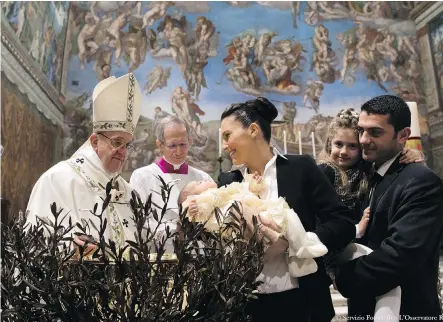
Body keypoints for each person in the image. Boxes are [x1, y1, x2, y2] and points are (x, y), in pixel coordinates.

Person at [218, 97, 356, 322]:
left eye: (227, 135)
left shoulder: (300, 168)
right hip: (247, 304)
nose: (224, 145)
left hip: (301, 301)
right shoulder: (227, 181)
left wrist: (298, 241)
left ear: (253, 130)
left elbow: (343, 223)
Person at [334, 95, 443, 320]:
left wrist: (341, 275)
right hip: (366, 307)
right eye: (361, 131)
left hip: (406, 310)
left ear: (403, 135)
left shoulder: (421, 181)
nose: (363, 140)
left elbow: (401, 256)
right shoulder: (367, 174)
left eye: (375, 132)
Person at [26, 73, 143, 250]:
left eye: (128, 145)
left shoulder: (128, 192)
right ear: (95, 141)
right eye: (117, 142)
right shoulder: (58, 180)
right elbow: (32, 240)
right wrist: (67, 247)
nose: (123, 152)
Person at [179, 175, 329, 278]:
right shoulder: (205, 199)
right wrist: (192, 208)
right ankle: (302, 248)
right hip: (244, 224)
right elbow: (192, 212)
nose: (202, 180)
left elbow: (242, 190)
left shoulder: (224, 190)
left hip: (258, 212)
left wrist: (254, 186)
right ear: (194, 197)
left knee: (289, 216)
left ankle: (300, 252)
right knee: (283, 221)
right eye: (198, 184)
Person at [130, 115, 213, 251]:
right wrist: (177, 230)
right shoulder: (141, 177)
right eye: (172, 146)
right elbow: (138, 221)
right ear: (160, 145)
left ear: (190, 141)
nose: (179, 151)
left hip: (197, 255)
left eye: (183, 144)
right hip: (158, 255)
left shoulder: (203, 178)